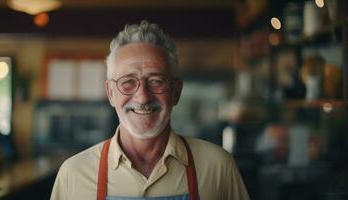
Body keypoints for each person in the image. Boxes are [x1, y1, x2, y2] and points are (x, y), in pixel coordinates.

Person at [51, 20, 250, 200]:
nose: (143, 97)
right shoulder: (74, 174)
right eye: (128, 82)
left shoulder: (218, 167)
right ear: (111, 93)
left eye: (156, 81)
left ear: (176, 91)